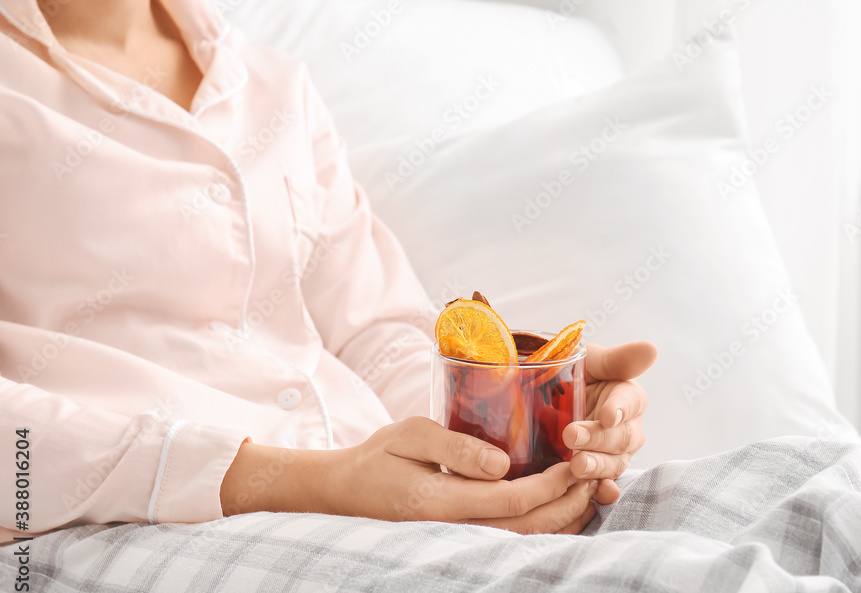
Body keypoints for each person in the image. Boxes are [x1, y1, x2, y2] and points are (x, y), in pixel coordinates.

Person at [0, 0, 657, 545]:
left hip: (391, 513)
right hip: (155, 530)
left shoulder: (272, 83)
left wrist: (517, 406)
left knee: (735, 514)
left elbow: (373, 331)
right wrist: (321, 481)